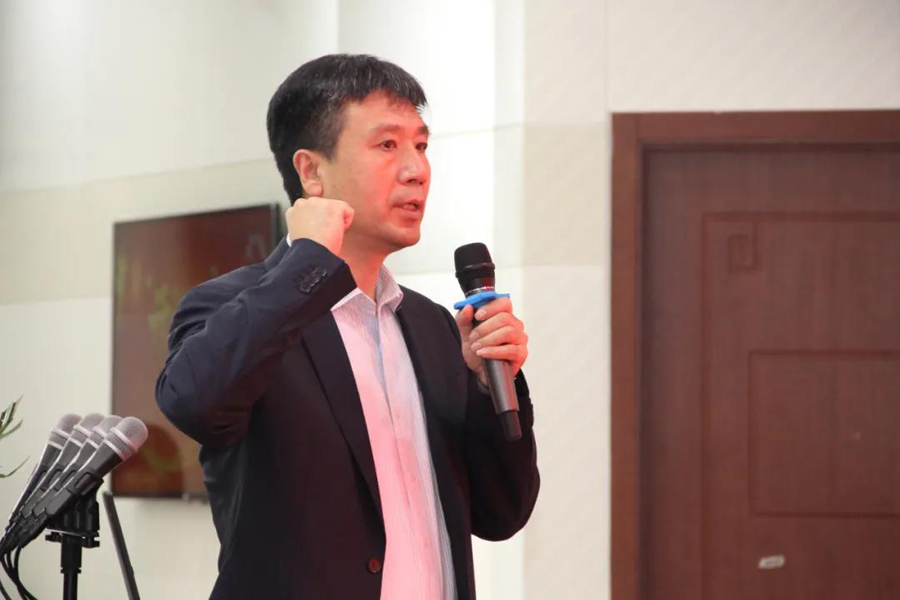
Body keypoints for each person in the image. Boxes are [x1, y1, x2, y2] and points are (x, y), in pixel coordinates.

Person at [156, 54, 539, 600]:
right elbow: (194, 403)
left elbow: (502, 513)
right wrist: (308, 262)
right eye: (387, 145)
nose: (416, 169)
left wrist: (488, 386)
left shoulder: (432, 326)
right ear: (311, 171)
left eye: (421, 146)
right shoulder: (230, 307)